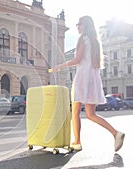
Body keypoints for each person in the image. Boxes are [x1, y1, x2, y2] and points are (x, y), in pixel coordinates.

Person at [52, 16, 125, 152]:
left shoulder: (82, 39)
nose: (77, 27)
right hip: (93, 79)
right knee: (91, 114)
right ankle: (115, 133)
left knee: (75, 111)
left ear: (85, 25)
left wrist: (59, 66)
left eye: (79, 24)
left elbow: (77, 59)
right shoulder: (95, 42)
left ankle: (77, 142)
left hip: (82, 78)